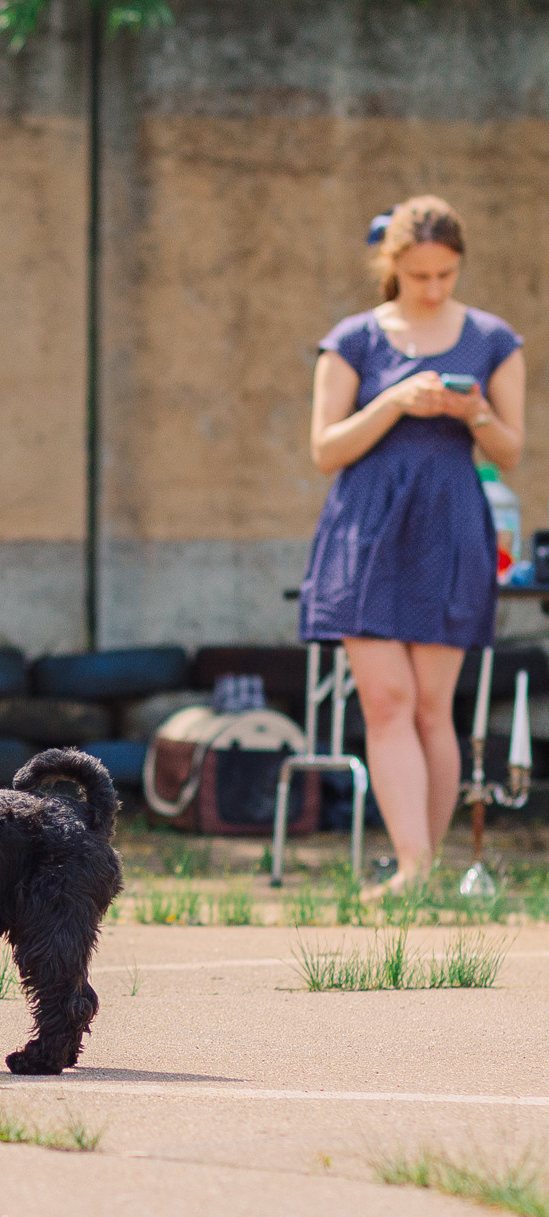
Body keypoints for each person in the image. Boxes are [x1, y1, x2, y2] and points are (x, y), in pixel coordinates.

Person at [300, 197, 525, 899]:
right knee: (387, 700)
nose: (432, 288)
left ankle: (420, 872)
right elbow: (324, 447)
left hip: (449, 529)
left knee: (433, 705)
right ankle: (415, 868)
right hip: (366, 533)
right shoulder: (354, 339)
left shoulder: (493, 337)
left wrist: (475, 411)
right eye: (419, 274)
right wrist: (393, 401)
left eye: (446, 275)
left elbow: (510, 450)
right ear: (391, 265)